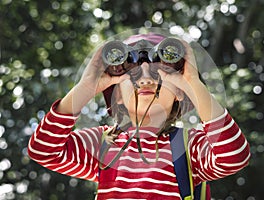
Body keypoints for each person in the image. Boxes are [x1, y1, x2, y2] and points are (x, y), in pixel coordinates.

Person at [28, 30, 251, 200]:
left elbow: (234, 157)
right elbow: (43, 151)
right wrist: (85, 87)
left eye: (158, 73)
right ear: (117, 97)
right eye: (133, 75)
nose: (145, 80)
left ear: (179, 94)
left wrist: (192, 83)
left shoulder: (188, 146)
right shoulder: (103, 144)